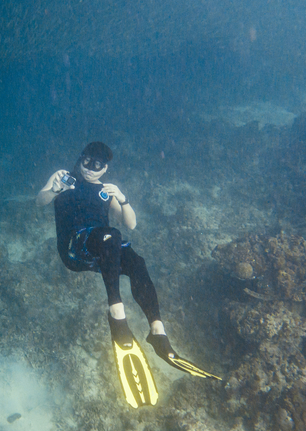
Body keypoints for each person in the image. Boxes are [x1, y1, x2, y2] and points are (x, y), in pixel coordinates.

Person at [37, 142, 219, 407]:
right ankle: (117, 314)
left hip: (103, 252)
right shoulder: (63, 178)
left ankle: (157, 331)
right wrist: (55, 189)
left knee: (136, 262)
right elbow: (40, 201)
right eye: (86, 161)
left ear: (105, 168)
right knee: (111, 236)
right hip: (74, 250)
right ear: (80, 158)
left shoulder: (106, 192)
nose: (90, 169)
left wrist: (122, 198)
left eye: (97, 166)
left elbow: (131, 223)